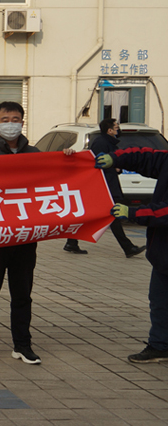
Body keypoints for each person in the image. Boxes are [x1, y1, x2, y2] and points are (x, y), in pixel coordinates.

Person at [0, 101, 75, 365]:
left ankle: (22, 345)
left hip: (25, 238)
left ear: (22, 123)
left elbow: (55, 179)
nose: (10, 124)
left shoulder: (35, 154)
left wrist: (69, 160)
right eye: (5, 120)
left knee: (22, 295)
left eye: (15, 119)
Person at [97, 149, 168, 363]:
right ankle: (160, 345)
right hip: (163, 254)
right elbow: (145, 157)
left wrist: (135, 213)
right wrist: (115, 158)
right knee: (159, 301)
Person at [63, 118, 145, 257]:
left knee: (93, 214)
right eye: (116, 127)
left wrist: (117, 166)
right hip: (104, 185)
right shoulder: (101, 142)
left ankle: (72, 242)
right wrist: (113, 167)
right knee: (112, 214)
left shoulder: (109, 142)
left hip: (107, 184)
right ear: (110, 130)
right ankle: (128, 247)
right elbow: (96, 163)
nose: (118, 130)